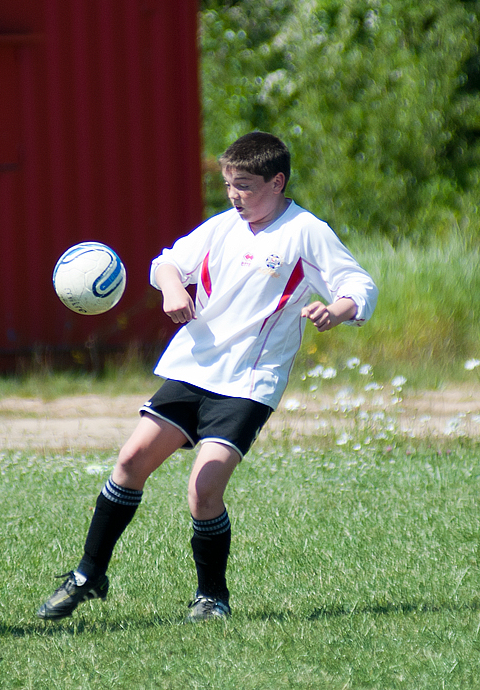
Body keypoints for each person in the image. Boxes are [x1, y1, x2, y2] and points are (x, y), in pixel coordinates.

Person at [36, 131, 378, 622]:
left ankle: (211, 596)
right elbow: (167, 262)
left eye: (245, 186)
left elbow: (358, 282)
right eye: (228, 185)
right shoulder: (222, 228)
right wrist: (173, 286)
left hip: (248, 382)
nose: (234, 196)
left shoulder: (306, 232)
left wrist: (338, 310)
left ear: (277, 182)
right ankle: (89, 574)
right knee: (131, 460)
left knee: (204, 486)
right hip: (192, 368)